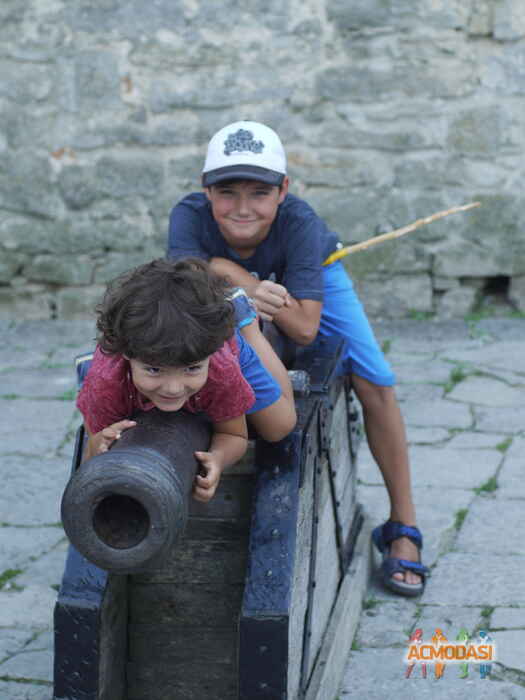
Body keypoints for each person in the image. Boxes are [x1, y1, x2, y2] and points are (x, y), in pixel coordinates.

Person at [167, 120, 429, 595]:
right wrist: (238, 277)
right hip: (238, 294)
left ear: (283, 189)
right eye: (227, 192)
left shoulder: (301, 224)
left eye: (259, 193)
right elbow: (185, 279)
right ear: (205, 191)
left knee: (376, 381)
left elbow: (306, 326)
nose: (242, 208)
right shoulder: (187, 215)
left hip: (312, 284)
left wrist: (233, 277)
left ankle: (403, 526)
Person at [77, 257, 296, 503]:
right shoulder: (105, 383)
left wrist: (218, 459)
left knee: (280, 426)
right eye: (153, 370)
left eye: (190, 369)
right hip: (118, 373)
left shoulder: (219, 365)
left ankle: (244, 318)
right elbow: (92, 449)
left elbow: (234, 436)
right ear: (128, 355)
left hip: (228, 347)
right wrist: (98, 447)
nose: (173, 388)